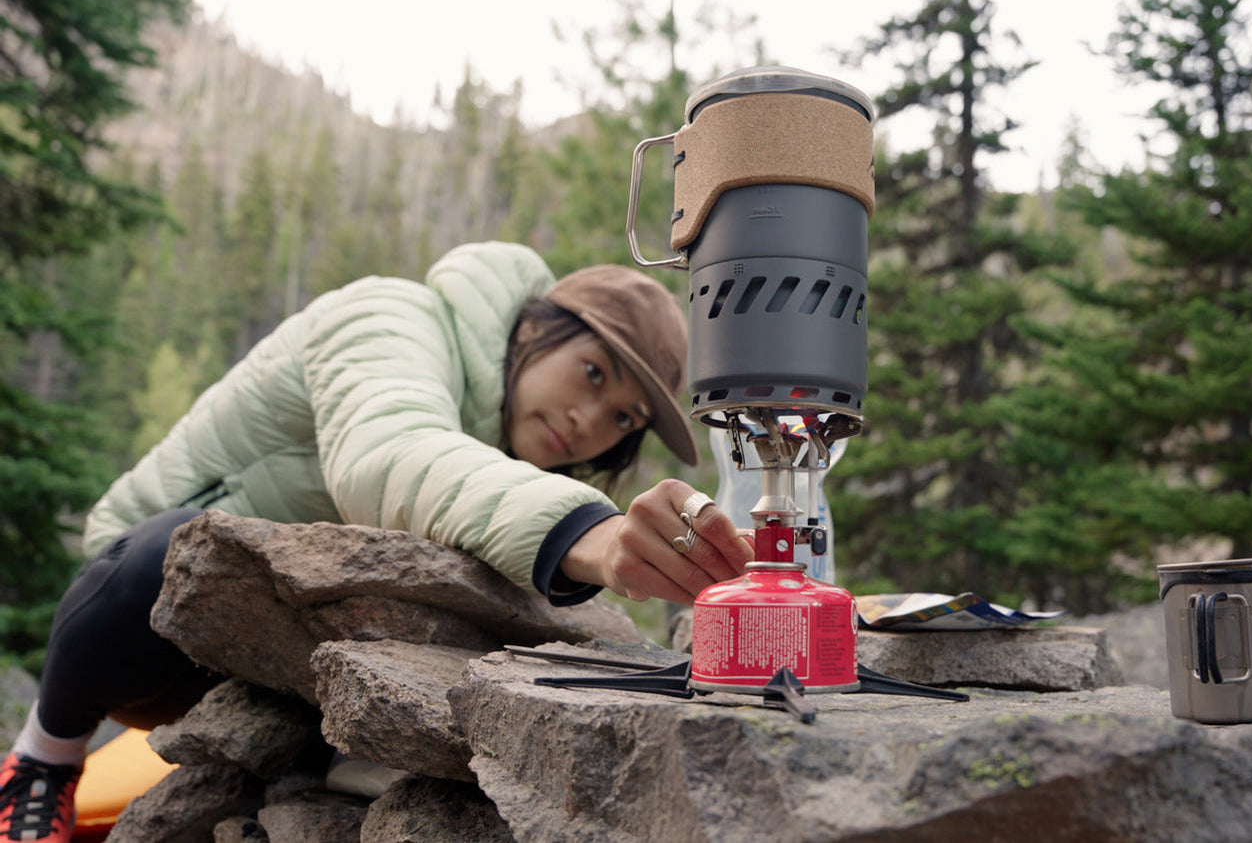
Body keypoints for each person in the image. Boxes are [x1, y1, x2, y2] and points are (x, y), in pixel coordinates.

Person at [0, 240, 752, 842]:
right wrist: (596, 533)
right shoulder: (392, 314)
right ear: (533, 327)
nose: (592, 421)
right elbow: (389, 453)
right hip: (147, 628)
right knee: (165, 556)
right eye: (592, 373)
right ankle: (42, 760)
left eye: (622, 418)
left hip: (293, 655)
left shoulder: (503, 461)